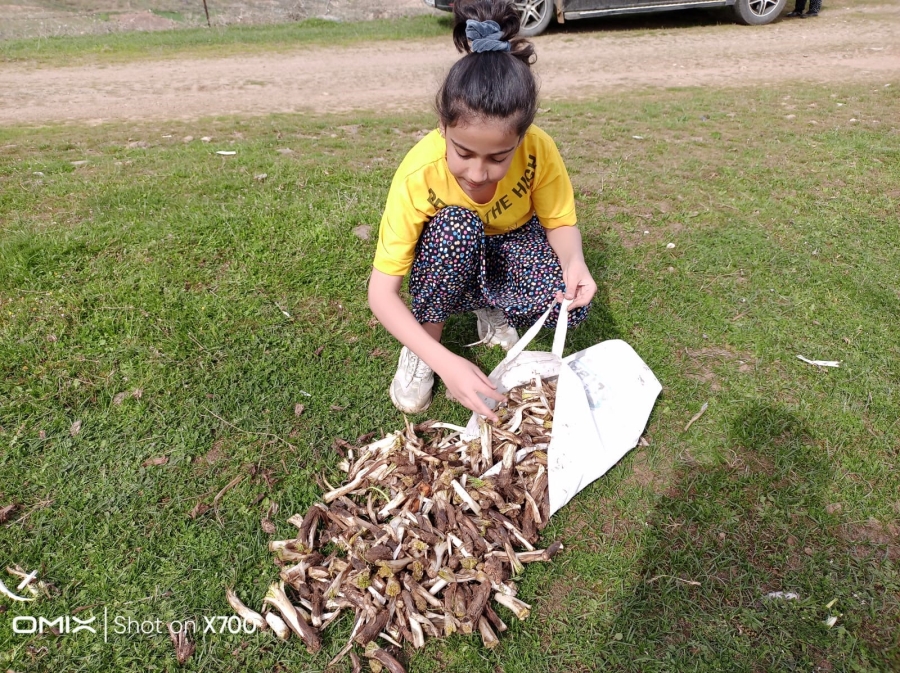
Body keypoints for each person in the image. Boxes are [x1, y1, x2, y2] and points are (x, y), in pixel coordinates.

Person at [367, 0, 597, 422]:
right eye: (464, 152)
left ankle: (488, 308)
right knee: (456, 225)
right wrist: (444, 362)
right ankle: (423, 345)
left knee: (573, 305)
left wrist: (575, 262)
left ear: (522, 137)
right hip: (451, 248)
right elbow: (381, 293)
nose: (477, 173)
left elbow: (559, 220)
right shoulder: (420, 173)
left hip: (511, 241)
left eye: (498, 157)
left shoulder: (539, 150)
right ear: (443, 126)